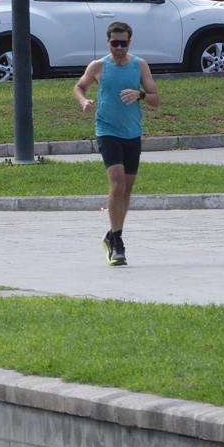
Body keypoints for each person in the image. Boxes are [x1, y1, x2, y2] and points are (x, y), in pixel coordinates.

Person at [73, 22, 159, 267]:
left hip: (132, 134)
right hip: (107, 131)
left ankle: (112, 234)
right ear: (108, 42)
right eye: (115, 43)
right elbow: (79, 86)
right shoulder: (98, 66)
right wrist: (83, 101)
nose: (119, 47)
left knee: (127, 190)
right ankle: (117, 242)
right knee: (118, 183)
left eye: (124, 43)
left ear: (130, 42)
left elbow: (156, 99)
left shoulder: (139, 65)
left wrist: (140, 95)